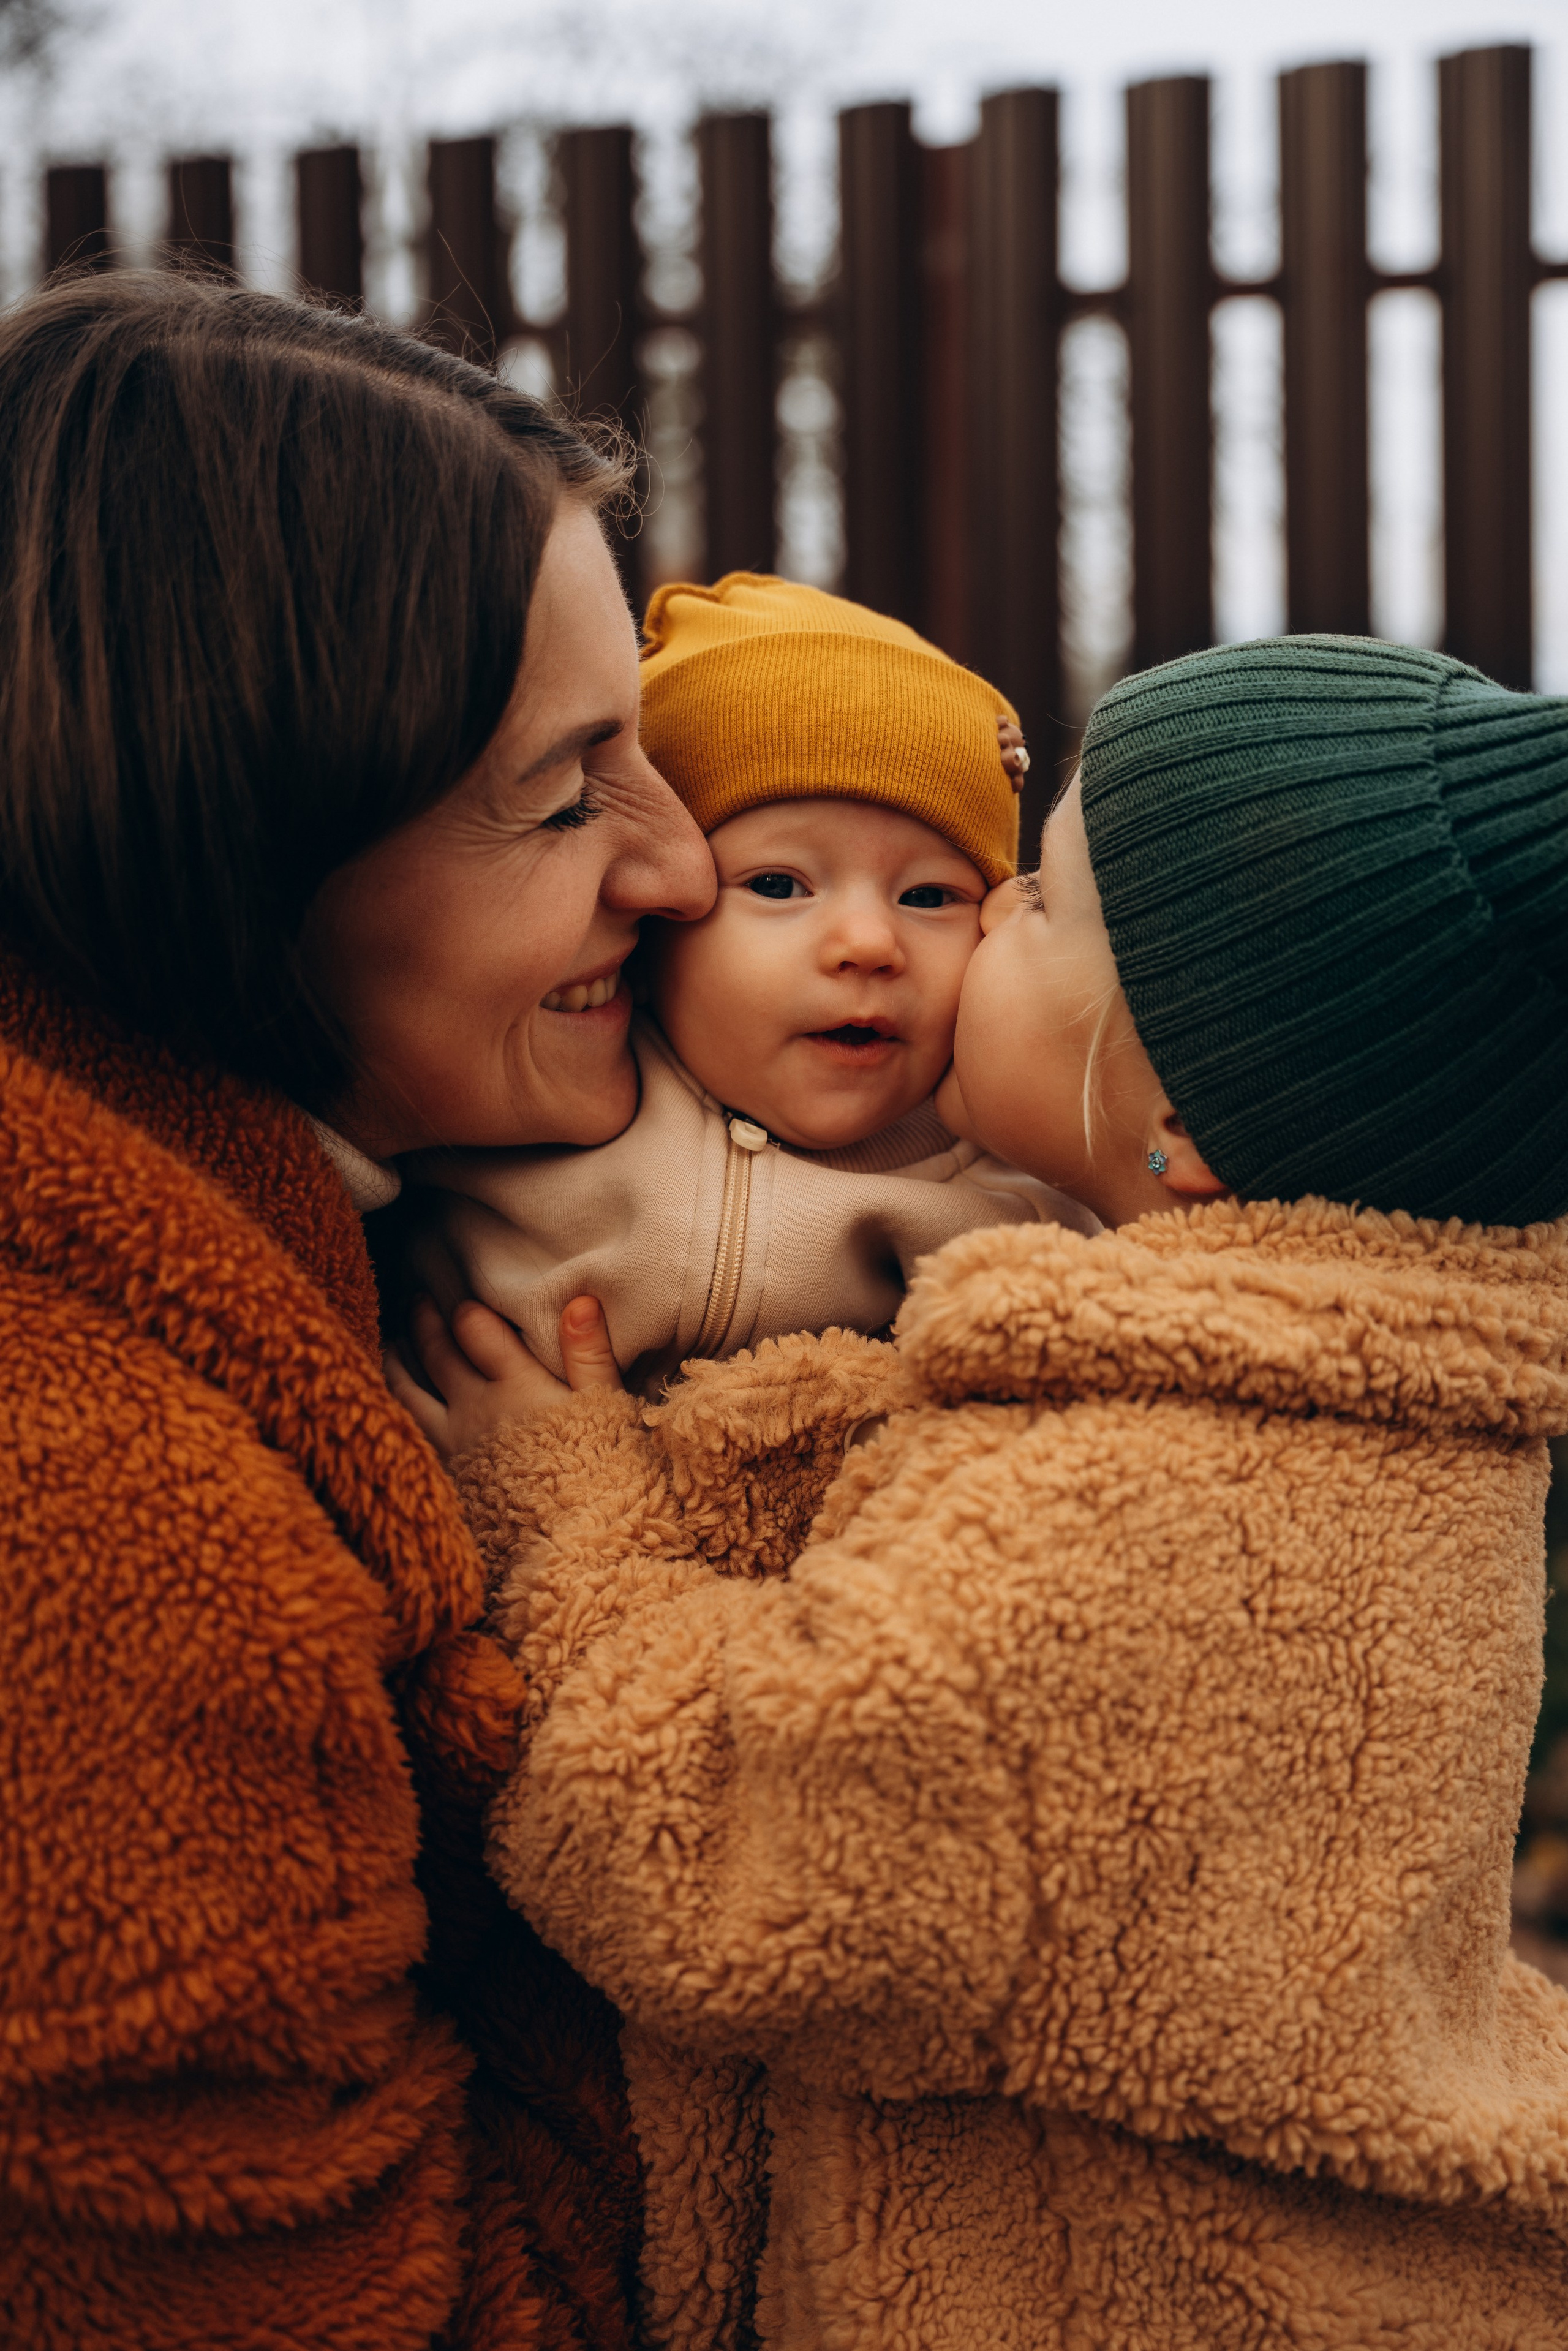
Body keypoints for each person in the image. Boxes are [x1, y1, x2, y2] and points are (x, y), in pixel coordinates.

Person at [424, 636, 1568, 2346]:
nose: (970, 925)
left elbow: (754, 1853)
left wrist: (567, 1507)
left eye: (1038, 902)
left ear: (1182, 1099)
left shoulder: (1150, 1491)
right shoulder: (1357, 1391)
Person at [0, 270, 712, 2350]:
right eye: (571, 787)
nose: (675, 865)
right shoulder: (106, 1520)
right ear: (239, 829)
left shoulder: (246, 1247)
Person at [389, 575, 1090, 1421]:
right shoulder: (530, 1103)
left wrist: (555, 1471)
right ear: (660, 918)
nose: (870, 943)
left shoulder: (1011, 1190)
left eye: (930, 896)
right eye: (779, 883)